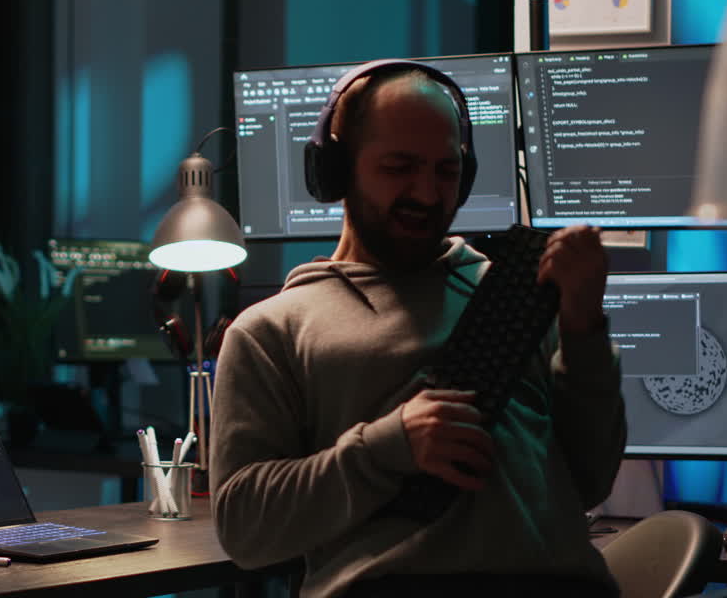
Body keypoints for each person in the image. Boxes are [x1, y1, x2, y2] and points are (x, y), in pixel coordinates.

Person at [209, 62, 625, 598]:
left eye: (446, 171)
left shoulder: (515, 295)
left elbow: (590, 480)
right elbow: (244, 529)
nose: (427, 195)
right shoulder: (272, 331)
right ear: (337, 170)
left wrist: (584, 329)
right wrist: (388, 447)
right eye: (399, 167)